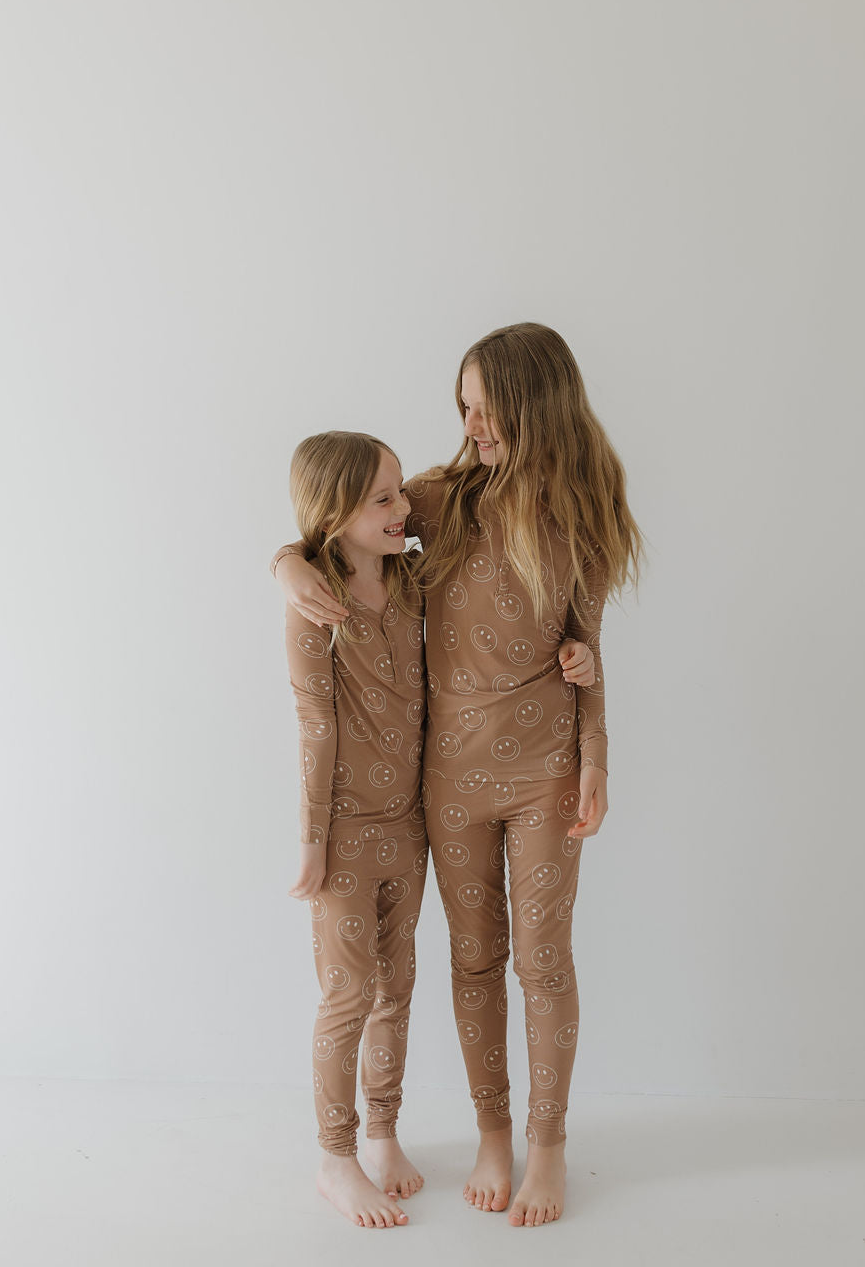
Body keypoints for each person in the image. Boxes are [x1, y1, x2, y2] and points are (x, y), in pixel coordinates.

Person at [275, 324, 643, 1227]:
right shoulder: (436, 502)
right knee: (474, 959)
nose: (469, 423)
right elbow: (338, 532)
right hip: (448, 780)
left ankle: (548, 1146)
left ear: (531, 403)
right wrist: (282, 562)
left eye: (482, 406)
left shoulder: (586, 513)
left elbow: (585, 648)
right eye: (463, 406)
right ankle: (493, 1134)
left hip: (546, 772)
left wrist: (596, 754)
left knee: (544, 962)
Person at [284, 430, 428, 1228]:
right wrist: (312, 837)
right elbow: (315, 722)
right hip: (342, 833)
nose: (401, 509)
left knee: (396, 988)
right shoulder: (314, 606)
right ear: (335, 512)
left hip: (408, 826)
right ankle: (335, 1159)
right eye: (383, 498)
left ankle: (381, 1134)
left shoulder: (412, 579)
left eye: (400, 492)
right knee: (349, 994)